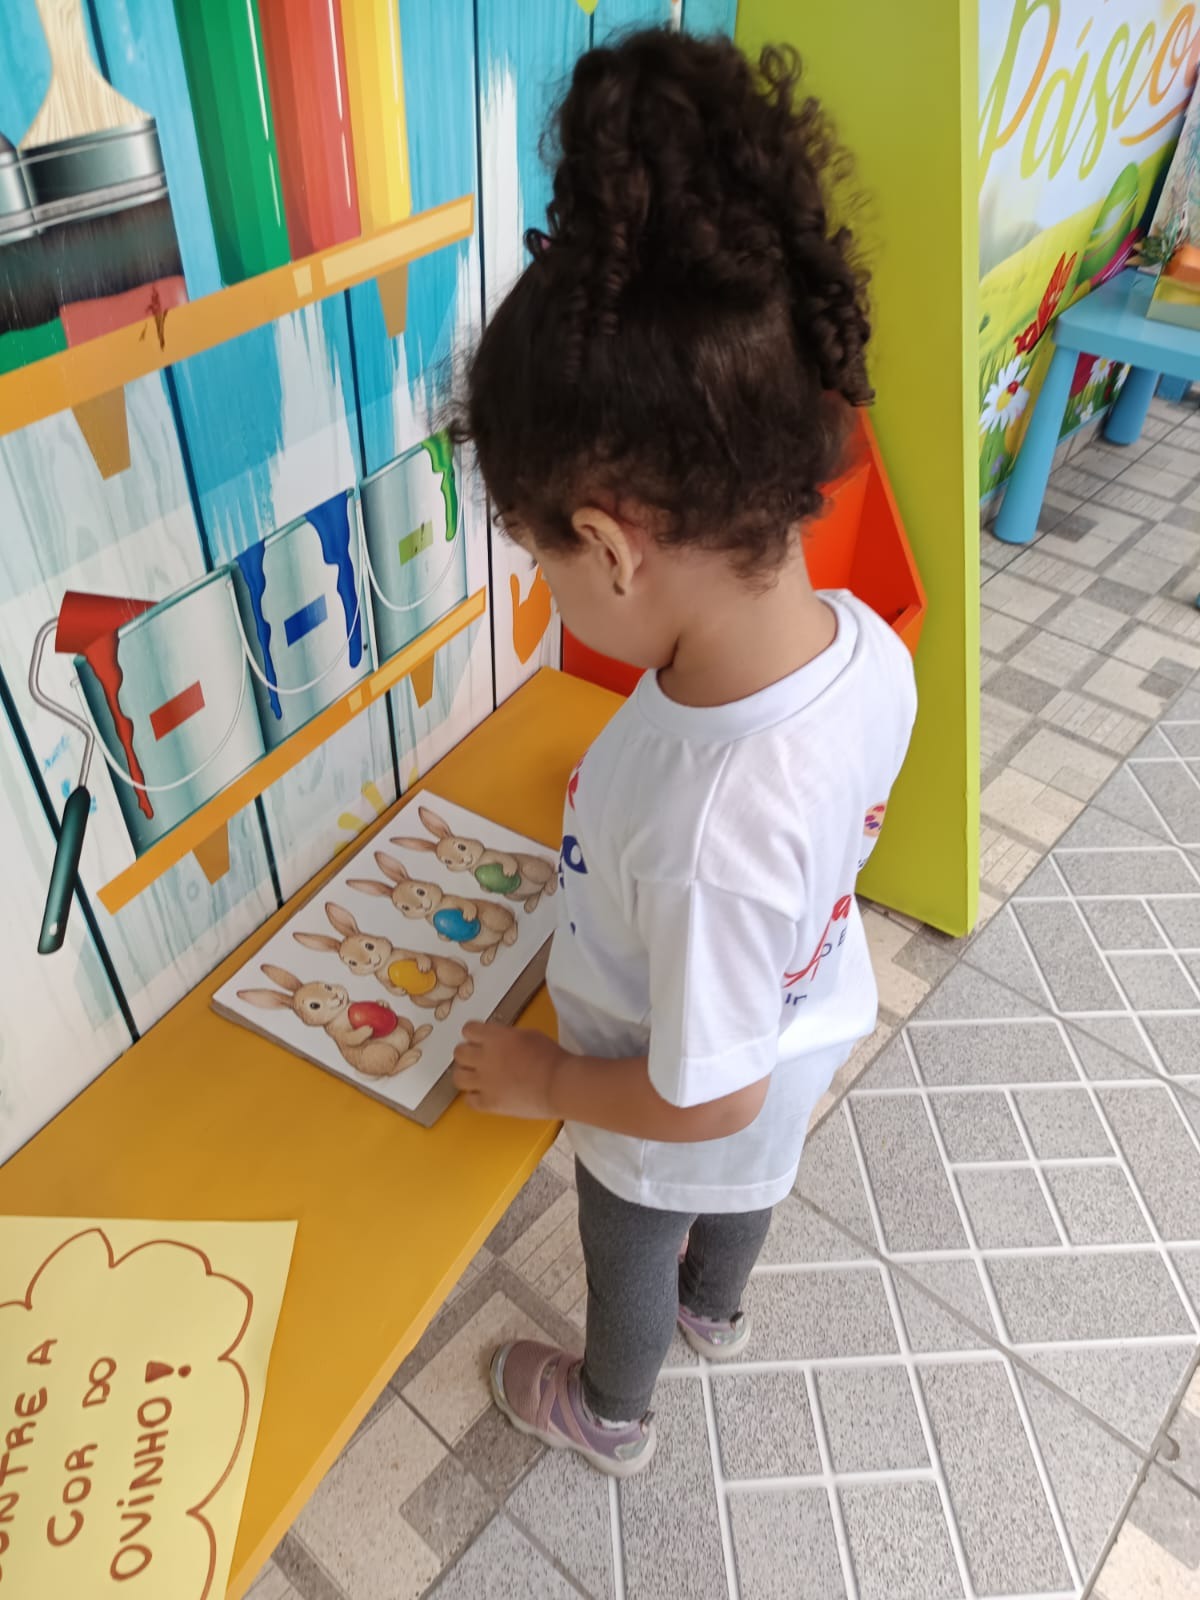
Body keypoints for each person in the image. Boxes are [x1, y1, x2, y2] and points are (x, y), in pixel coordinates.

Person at [449, 26, 917, 1477]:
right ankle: (723, 1310)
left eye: (543, 566)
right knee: (751, 1181)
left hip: (668, 1088)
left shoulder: (710, 832)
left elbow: (702, 1096)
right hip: (802, 1017)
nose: (550, 597)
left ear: (609, 546)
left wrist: (544, 1083)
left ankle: (612, 1409)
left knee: (634, 1234)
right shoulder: (864, 646)